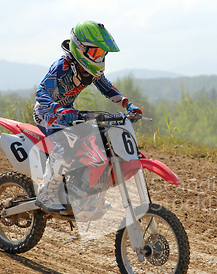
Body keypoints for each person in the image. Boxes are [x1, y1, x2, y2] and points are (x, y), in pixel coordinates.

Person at [33, 21, 142, 213]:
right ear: (80, 48)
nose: (99, 58)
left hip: (68, 112)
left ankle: (84, 193)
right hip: (46, 113)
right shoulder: (62, 66)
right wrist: (58, 109)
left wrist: (127, 104)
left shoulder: (91, 71)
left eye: (101, 54)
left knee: (98, 138)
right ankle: (46, 192)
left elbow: (108, 89)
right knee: (67, 142)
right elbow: (41, 92)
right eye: (95, 53)